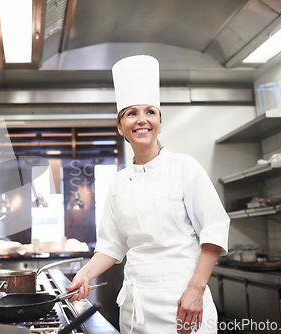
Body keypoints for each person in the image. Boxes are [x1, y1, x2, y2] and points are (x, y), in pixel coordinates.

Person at [65, 55, 230, 334]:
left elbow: (214, 229)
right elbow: (111, 246)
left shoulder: (184, 167)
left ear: (160, 123)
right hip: (135, 308)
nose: (142, 120)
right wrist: (83, 275)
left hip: (184, 303)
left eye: (150, 112)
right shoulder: (118, 184)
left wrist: (196, 290)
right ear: (121, 127)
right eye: (132, 113)